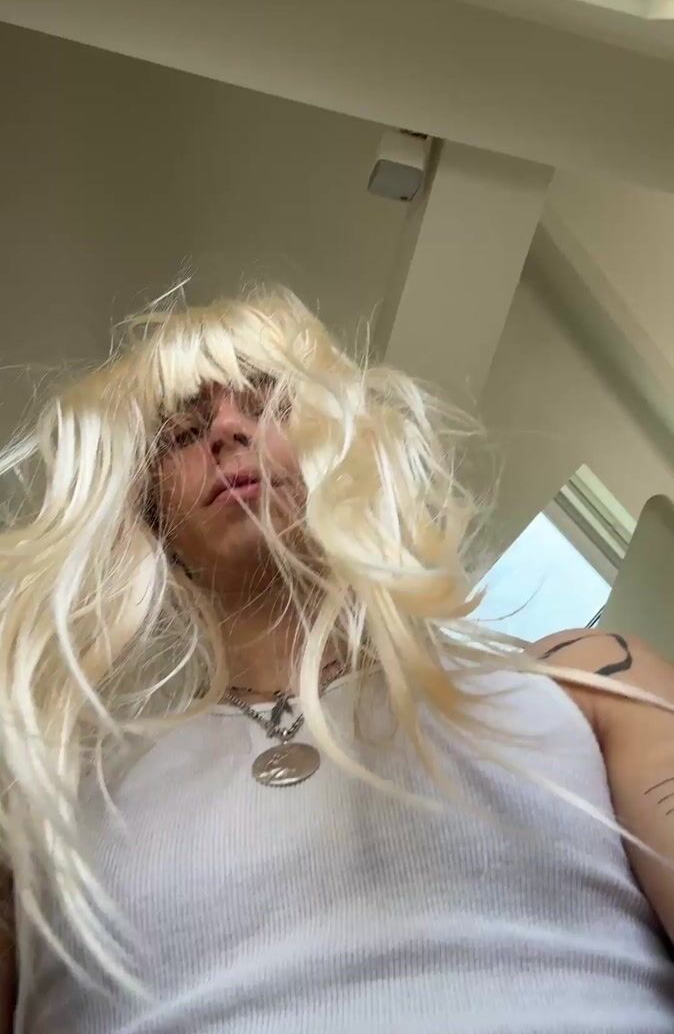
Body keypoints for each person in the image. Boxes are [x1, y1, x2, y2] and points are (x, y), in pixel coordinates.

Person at [0, 286, 672, 1034]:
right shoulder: (49, 803)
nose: (226, 430)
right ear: (150, 519)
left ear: (348, 439)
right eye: (182, 432)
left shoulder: (592, 677)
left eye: (268, 401)